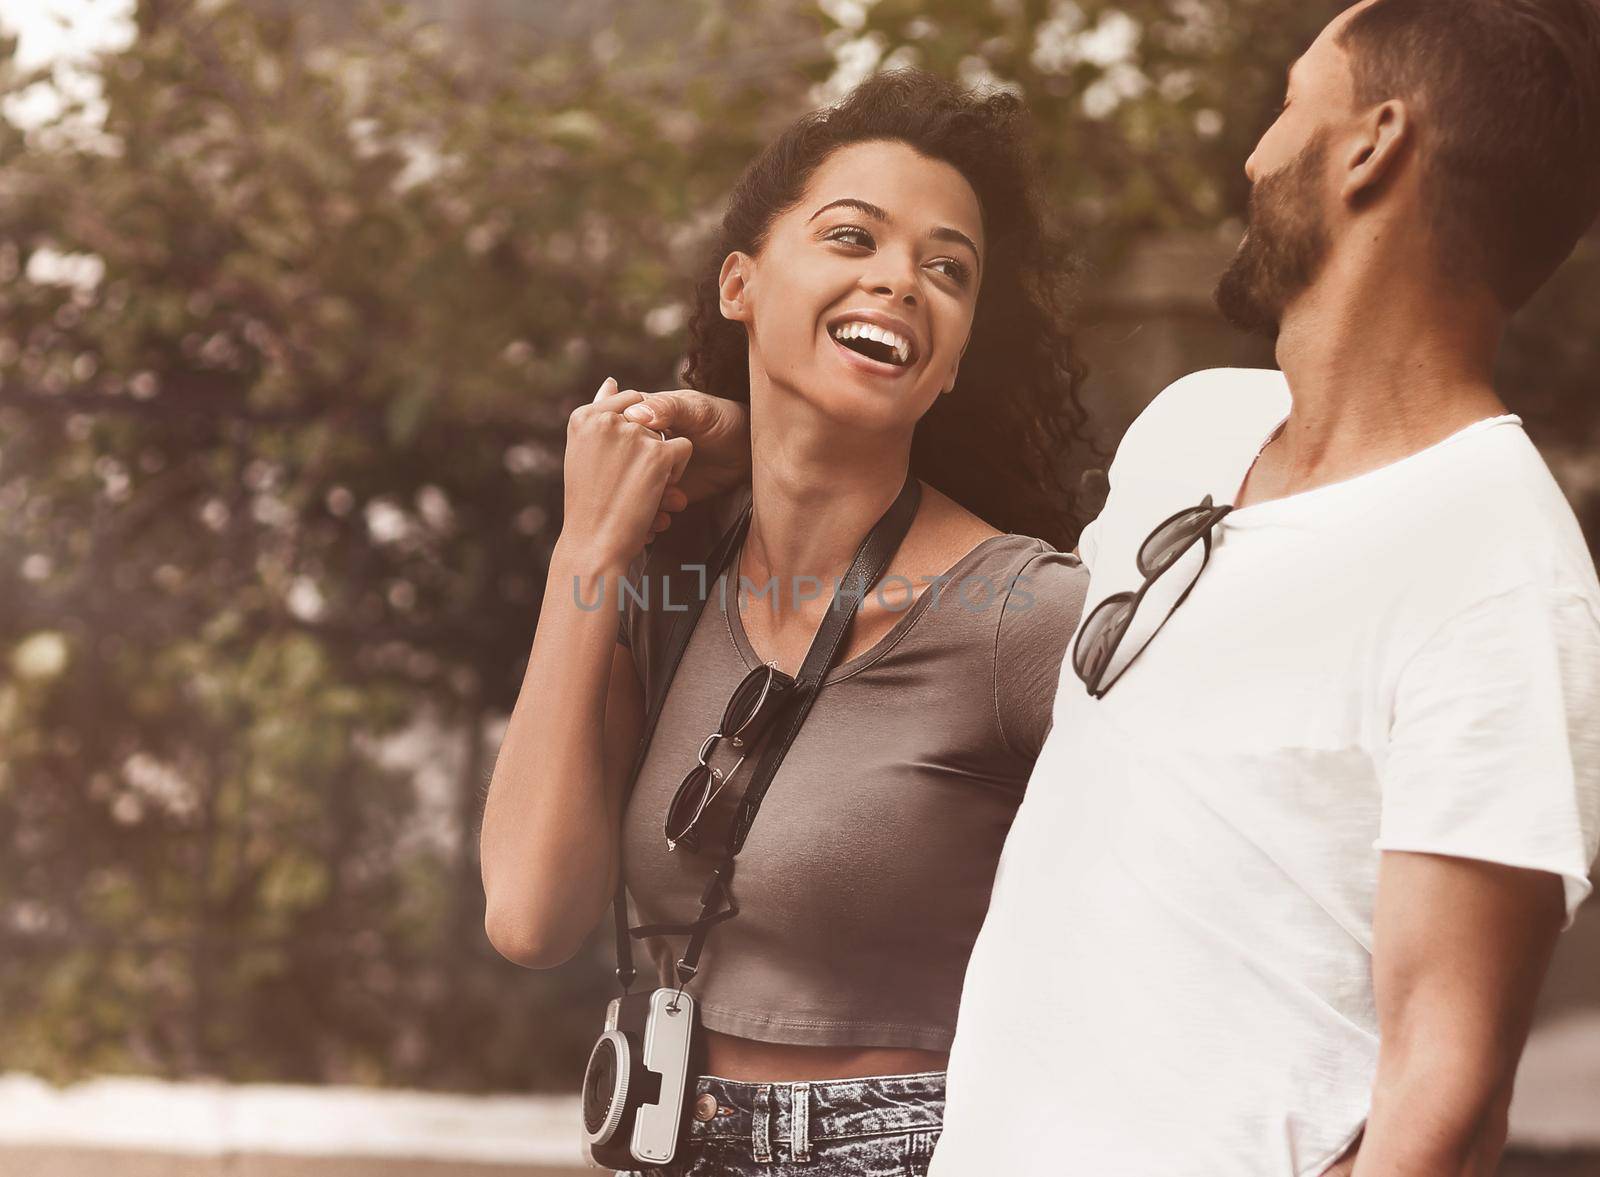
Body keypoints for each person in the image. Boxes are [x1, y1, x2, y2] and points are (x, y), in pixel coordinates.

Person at [645, 1, 1600, 1172]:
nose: (1255, 154)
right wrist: (769, 435)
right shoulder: (1196, 431)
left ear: (1372, 147)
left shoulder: (1496, 565)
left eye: (1291, 105)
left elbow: (1441, 1107)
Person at [479, 71, 1091, 1175]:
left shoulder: (1022, 612)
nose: (899, 279)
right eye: (852, 237)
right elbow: (531, 914)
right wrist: (590, 554)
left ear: (949, 364)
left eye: (946, 269)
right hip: (667, 1141)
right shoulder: (660, 574)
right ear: (740, 285)